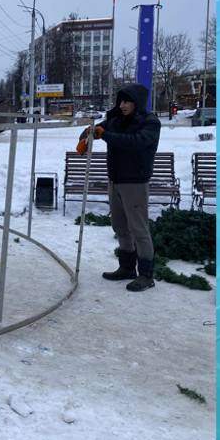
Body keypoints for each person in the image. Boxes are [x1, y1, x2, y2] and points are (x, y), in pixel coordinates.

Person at [77, 83, 161, 292]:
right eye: (120, 101)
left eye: (126, 101)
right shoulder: (116, 121)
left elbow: (136, 142)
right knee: (120, 226)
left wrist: (103, 134)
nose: (122, 105)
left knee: (139, 229)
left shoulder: (150, 123)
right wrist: (87, 135)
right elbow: (97, 130)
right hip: (115, 181)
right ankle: (126, 268)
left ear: (137, 102)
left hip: (135, 182)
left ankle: (146, 275)